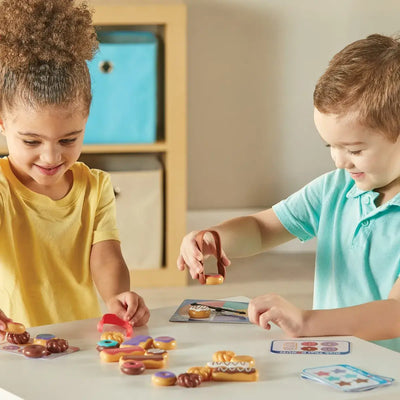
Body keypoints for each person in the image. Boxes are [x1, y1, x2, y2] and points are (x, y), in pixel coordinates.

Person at [178, 33, 400, 351]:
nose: (339, 162)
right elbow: (260, 229)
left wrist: (306, 322)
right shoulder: (335, 189)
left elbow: (395, 314)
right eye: (331, 146)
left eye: (354, 149)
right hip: (338, 366)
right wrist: (212, 238)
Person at [0, 0, 149, 338]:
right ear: (3, 123)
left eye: (68, 140)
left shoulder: (94, 187)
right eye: (32, 142)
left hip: (77, 337)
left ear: (86, 120)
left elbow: (106, 256)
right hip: (11, 342)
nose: (51, 157)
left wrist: (117, 297)